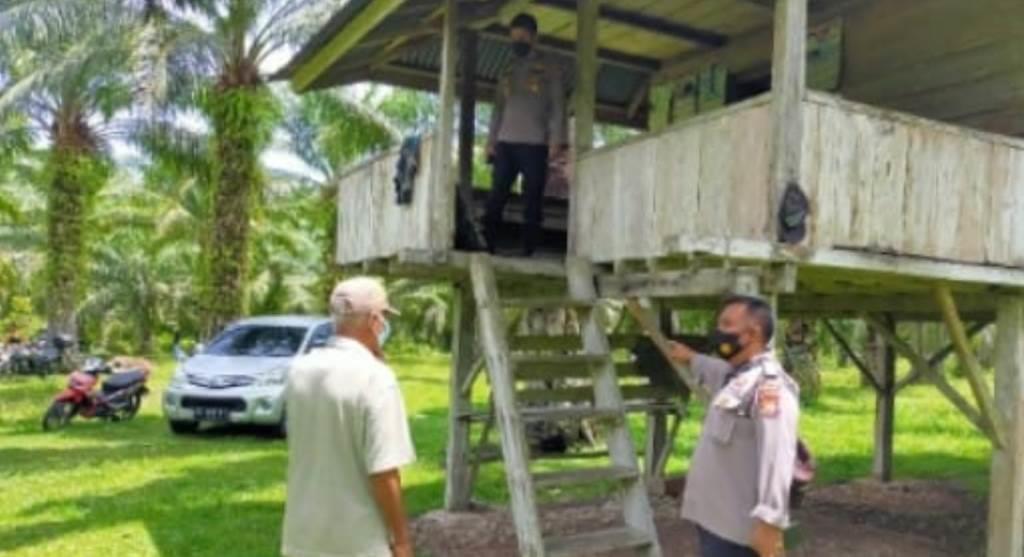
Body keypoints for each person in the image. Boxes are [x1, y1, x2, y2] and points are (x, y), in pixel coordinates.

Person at [281, 277, 416, 557]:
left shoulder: (299, 370)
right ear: (374, 320)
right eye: (384, 318)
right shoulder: (375, 379)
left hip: (301, 537)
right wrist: (401, 541)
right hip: (359, 543)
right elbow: (384, 472)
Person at [666, 296, 800, 557]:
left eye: (727, 324)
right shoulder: (737, 376)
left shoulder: (770, 388)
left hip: (739, 534)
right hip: (714, 521)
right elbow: (717, 370)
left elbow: (778, 458)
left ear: (753, 333)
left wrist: (770, 523)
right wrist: (690, 357)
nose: (718, 332)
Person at [483, 12, 566, 256]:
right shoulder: (507, 69)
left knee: (532, 197)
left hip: (535, 143)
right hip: (505, 143)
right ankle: (487, 243)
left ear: (533, 38)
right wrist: (490, 141)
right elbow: (498, 107)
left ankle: (529, 247)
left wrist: (556, 140)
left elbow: (558, 105)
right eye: (514, 37)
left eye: (522, 37)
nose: (517, 41)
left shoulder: (549, 68)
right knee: (497, 194)